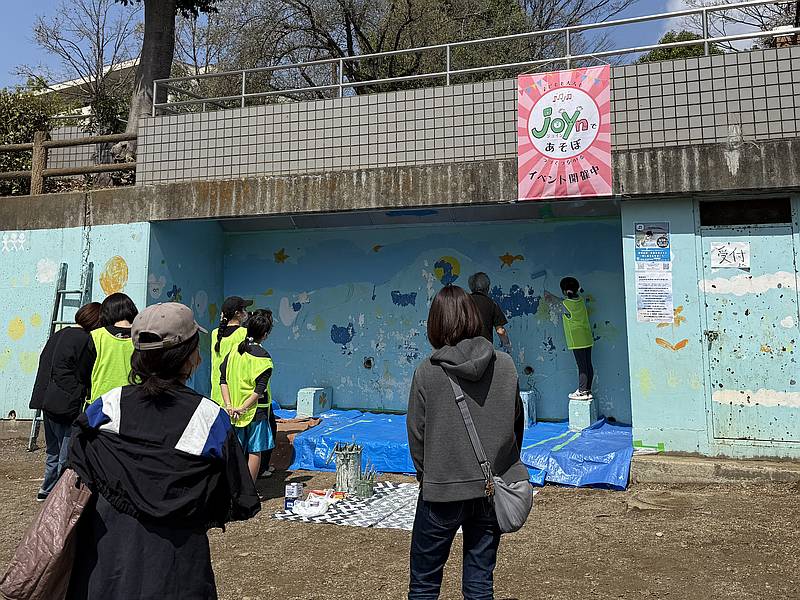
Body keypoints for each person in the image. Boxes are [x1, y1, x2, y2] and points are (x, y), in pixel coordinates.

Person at [67, 302, 260, 599]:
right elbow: (236, 494)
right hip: (178, 568)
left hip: (108, 564)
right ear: (189, 357)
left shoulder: (107, 407)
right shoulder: (208, 418)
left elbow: (78, 465)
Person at [406, 285, 527, 600]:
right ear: (475, 317)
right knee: (479, 583)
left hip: (441, 490)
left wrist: (428, 475)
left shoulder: (427, 372)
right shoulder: (505, 365)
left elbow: (416, 435)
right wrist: (502, 466)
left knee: (424, 584)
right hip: (490, 489)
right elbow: (516, 425)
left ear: (434, 324)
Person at [28, 302, 101, 502]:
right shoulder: (86, 340)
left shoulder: (59, 334)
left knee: (52, 450)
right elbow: (86, 372)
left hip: (46, 400)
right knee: (66, 452)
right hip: (66, 404)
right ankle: (60, 496)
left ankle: (46, 489)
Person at [220, 309, 276, 483]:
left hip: (233, 412)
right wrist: (243, 408)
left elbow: (223, 380)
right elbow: (259, 390)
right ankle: (249, 491)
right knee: (255, 451)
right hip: (254, 412)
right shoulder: (264, 358)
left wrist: (230, 406)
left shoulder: (233, 353)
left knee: (236, 452)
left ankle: (232, 488)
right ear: (265, 335)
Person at [85, 292, 138, 403]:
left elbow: (84, 373)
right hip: (135, 401)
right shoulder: (142, 336)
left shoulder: (96, 336)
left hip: (102, 403)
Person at [210, 296, 252, 407]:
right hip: (235, 394)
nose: (246, 312)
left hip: (217, 393)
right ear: (238, 313)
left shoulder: (215, 334)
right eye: (245, 309)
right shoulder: (244, 333)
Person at [560, 276, 594, 400]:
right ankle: (588, 390)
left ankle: (582, 391)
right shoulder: (580, 300)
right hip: (587, 337)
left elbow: (553, 303)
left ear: (565, 291)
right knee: (588, 364)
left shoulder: (565, 304)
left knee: (582, 367)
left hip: (577, 339)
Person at [467, 272, 511, 352]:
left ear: (471, 287)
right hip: (484, 351)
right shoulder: (492, 304)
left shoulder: (463, 301)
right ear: (487, 288)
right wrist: (507, 345)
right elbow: (500, 331)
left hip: (465, 349)